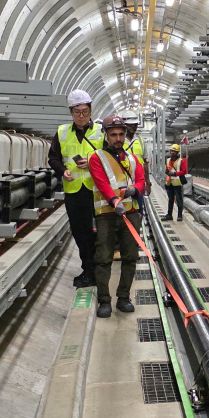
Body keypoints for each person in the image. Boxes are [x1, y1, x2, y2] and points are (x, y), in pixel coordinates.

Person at [88, 114, 145, 318]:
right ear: (106, 135)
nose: (118, 138)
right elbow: (102, 183)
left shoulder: (133, 159)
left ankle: (123, 298)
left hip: (130, 215)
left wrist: (134, 191)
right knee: (103, 258)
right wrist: (114, 201)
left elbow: (140, 180)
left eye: (121, 134)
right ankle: (104, 301)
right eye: (113, 135)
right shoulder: (97, 158)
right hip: (106, 215)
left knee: (130, 257)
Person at [48, 89, 103, 288]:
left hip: (96, 190)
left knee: (100, 231)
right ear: (71, 112)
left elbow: (110, 156)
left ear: (91, 111)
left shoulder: (100, 131)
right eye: (77, 112)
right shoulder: (62, 132)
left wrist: (92, 161)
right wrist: (62, 171)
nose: (81, 116)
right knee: (80, 232)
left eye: (85, 112)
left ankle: (98, 269)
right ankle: (88, 269)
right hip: (73, 190)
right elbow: (53, 158)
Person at [122, 110, 150, 207]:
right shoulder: (119, 140)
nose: (133, 127)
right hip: (124, 182)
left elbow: (145, 163)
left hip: (139, 181)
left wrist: (148, 183)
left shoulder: (140, 140)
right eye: (130, 125)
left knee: (139, 209)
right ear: (124, 125)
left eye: (135, 124)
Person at [162, 143, 187, 221]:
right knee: (170, 199)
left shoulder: (181, 161)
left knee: (179, 199)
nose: (173, 152)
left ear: (177, 152)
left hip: (177, 183)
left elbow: (184, 171)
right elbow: (167, 169)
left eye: (174, 151)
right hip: (169, 183)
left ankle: (179, 215)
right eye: (172, 151)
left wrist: (175, 173)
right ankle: (169, 215)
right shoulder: (168, 160)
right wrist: (167, 172)